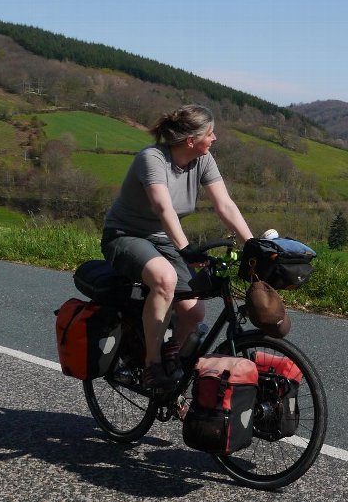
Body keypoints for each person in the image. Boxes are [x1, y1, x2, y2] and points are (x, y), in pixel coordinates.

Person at [101, 104, 253, 395]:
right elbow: (162, 207)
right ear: (191, 140)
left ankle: (173, 359)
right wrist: (185, 248)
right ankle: (152, 365)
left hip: (164, 240)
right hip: (125, 235)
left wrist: (253, 244)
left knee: (194, 313)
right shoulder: (152, 158)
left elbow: (225, 205)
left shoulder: (203, 160)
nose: (215, 138)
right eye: (210, 133)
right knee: (165, 279)